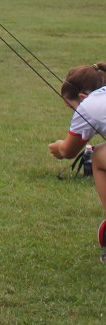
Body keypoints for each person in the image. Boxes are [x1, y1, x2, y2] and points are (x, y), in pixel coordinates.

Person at [47, 64, 106, 262]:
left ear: (81, 98)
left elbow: (68, 151)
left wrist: (57, 147)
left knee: (98, 157)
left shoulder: (88, 106)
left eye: (70, 107)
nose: (73, 112)